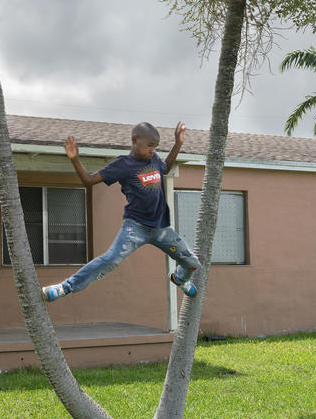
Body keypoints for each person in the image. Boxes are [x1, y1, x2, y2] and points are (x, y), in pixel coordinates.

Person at [42, 121, 201, 302]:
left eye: (155, 147)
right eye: (150, 146)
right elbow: (89, 180)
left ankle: (179, 279)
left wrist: (178, 143)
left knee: (191, 262)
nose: (152, 151)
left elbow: (166, 167)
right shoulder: (122, 164)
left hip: (161, 229)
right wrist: (75, 159)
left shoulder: (154, 159)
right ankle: (65, 287)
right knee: (111, 259)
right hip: (135, 228)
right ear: (135, 140)